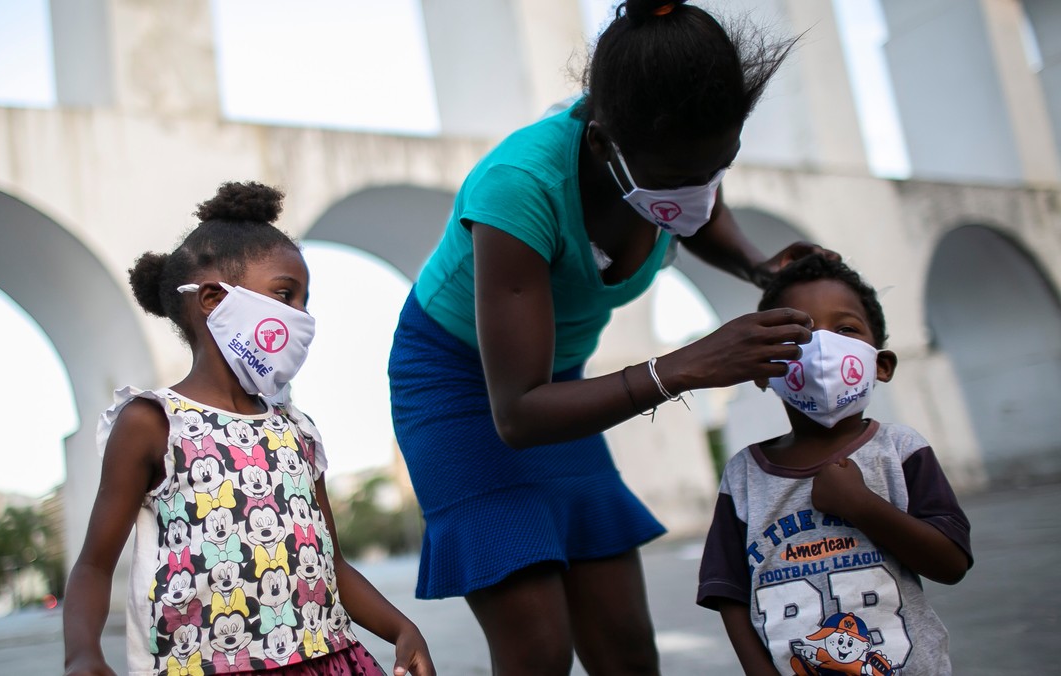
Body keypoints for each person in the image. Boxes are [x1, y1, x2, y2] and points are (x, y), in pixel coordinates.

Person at [387, 1, 834, 673]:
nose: (698, 191)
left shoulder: (667, 146)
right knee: (539, 649)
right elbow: (519, 415)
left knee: (626, 644)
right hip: (464, 387)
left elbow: (698, 204)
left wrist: (756, 264)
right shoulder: (518, 189)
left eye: (717, 165)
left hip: (555, 384)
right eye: (674, 178)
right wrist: (685, 366)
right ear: (602, 145)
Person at [64, 182, 435, 676]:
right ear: (215, 300)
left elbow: (332, 565)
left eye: (304, 300)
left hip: (332, 660)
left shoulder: (299, 432)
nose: (300, 316)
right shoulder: (153, 421)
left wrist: (401, 628)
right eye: (285, 294)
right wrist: (82, 653)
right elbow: (93, 564)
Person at [697, 254, 973, 675]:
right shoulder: (744, 475)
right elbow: (728, 592)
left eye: (845, 329)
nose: (823, 348)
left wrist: (862, 505)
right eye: (799, 334)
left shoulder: (900, 450)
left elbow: (951, 564)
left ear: (880, 364)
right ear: (763, 371)